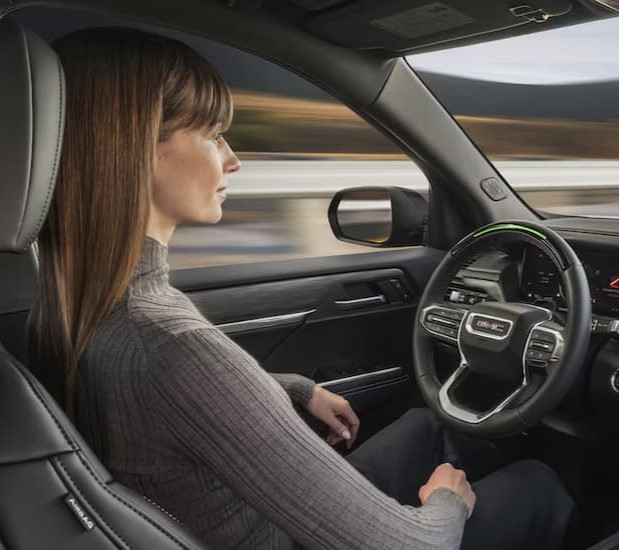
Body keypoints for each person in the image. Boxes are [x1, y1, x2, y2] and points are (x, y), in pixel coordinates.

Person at [28, 27, 575, 550]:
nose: (233, 159)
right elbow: (408, 542)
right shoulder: (169, 346)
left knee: (433, 429)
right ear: (134, 148)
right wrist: (447, 503)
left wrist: (291, 389)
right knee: (538, 485)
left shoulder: (75, 308)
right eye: (213, 134)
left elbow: (172, 404)